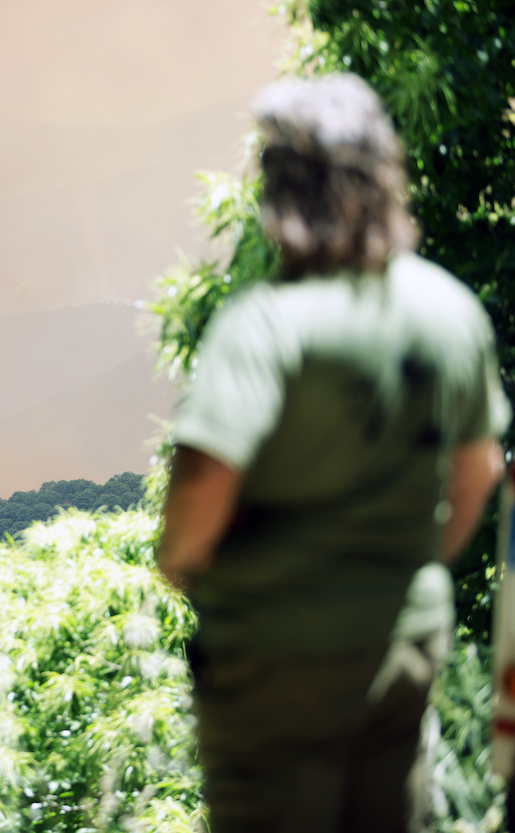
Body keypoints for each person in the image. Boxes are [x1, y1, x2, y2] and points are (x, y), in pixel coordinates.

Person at [156, 73, 509, 833]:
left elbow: (201, 494)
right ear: (385, 175)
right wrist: (412, 568)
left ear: (280, 191)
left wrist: (183, 566)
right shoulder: (449, 309)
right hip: (404, 646)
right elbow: (480, 472)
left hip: (275, 662)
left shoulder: (265, 326)